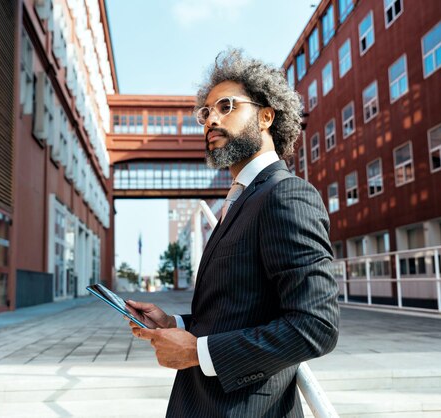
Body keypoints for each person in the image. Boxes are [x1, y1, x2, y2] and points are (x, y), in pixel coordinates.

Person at [126, 48, 339, 418]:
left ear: (266, 116)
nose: (211, 120)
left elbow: (316, 325)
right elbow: (240, 312)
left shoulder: (286, 194)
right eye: (205, 112)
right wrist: (174, 324)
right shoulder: (239, 200)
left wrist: (196, 352)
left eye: (226, 106)